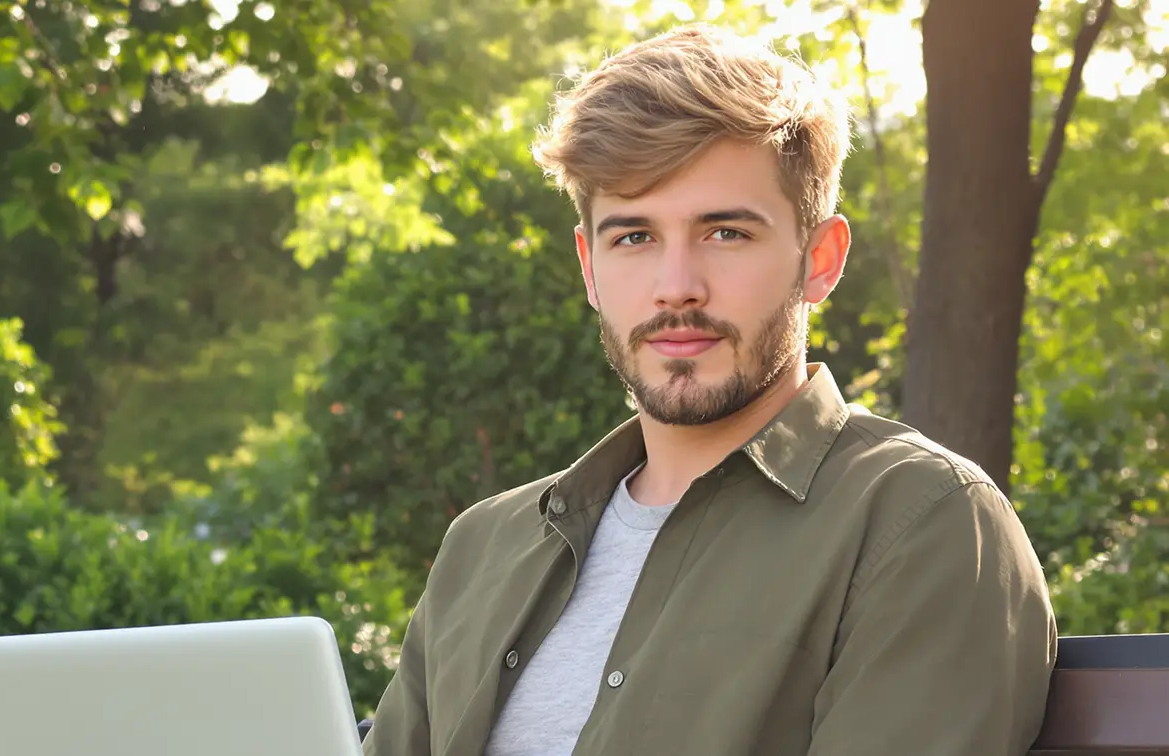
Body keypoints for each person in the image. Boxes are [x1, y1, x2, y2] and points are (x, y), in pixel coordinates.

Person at [361, 23, 1057, 756]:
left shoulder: (921, 524)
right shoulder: (486, 546)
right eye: (633, 237)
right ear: (590, 268)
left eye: (725, 233)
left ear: (819, 259)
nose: (676, 288)